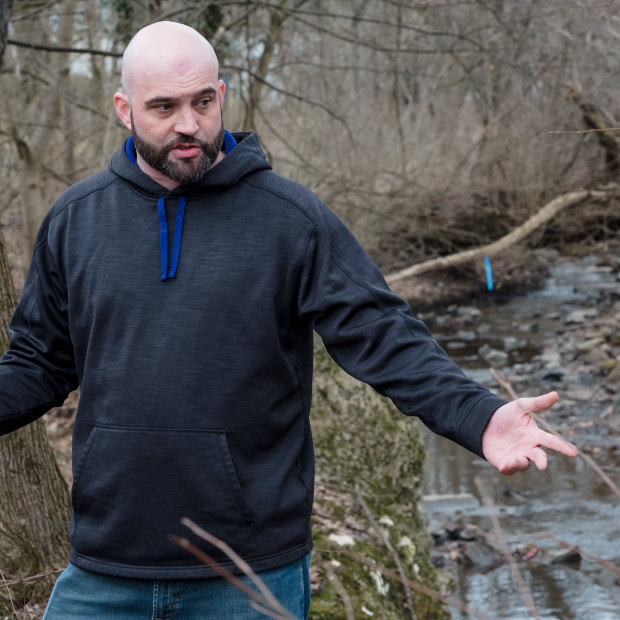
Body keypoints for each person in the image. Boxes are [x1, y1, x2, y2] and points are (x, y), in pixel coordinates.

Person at [0, 20, 577, 620]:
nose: (188, 125)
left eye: (202, 102)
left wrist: (478, 417)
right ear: (124, 109)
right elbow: (39, 362)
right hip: (104, 568)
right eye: (163, 107)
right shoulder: (75, 219)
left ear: (221, 95)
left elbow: (382, 335)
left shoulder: (289, 219)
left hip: (249, 574)